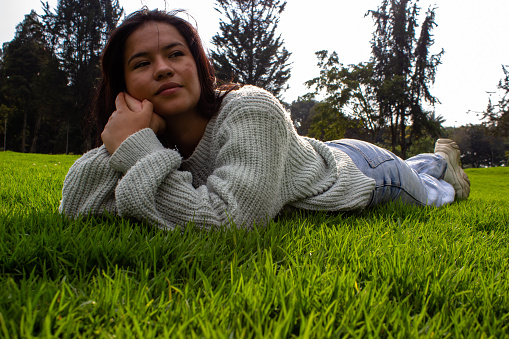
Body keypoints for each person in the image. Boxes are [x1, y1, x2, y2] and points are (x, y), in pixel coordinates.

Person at [59, 9, 470, 230]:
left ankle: (440, 165)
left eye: (176, 53)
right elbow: (76, 207)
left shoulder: (252, 107)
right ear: (123, 87)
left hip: (360, 170)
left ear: (197, 64)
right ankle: (432, 162)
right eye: (143, 63)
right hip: (298, 160)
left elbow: (227, 221)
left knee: (435, 194)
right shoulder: (149, 134)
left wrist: (135, 152)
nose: (164, 69)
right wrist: (127, 134)